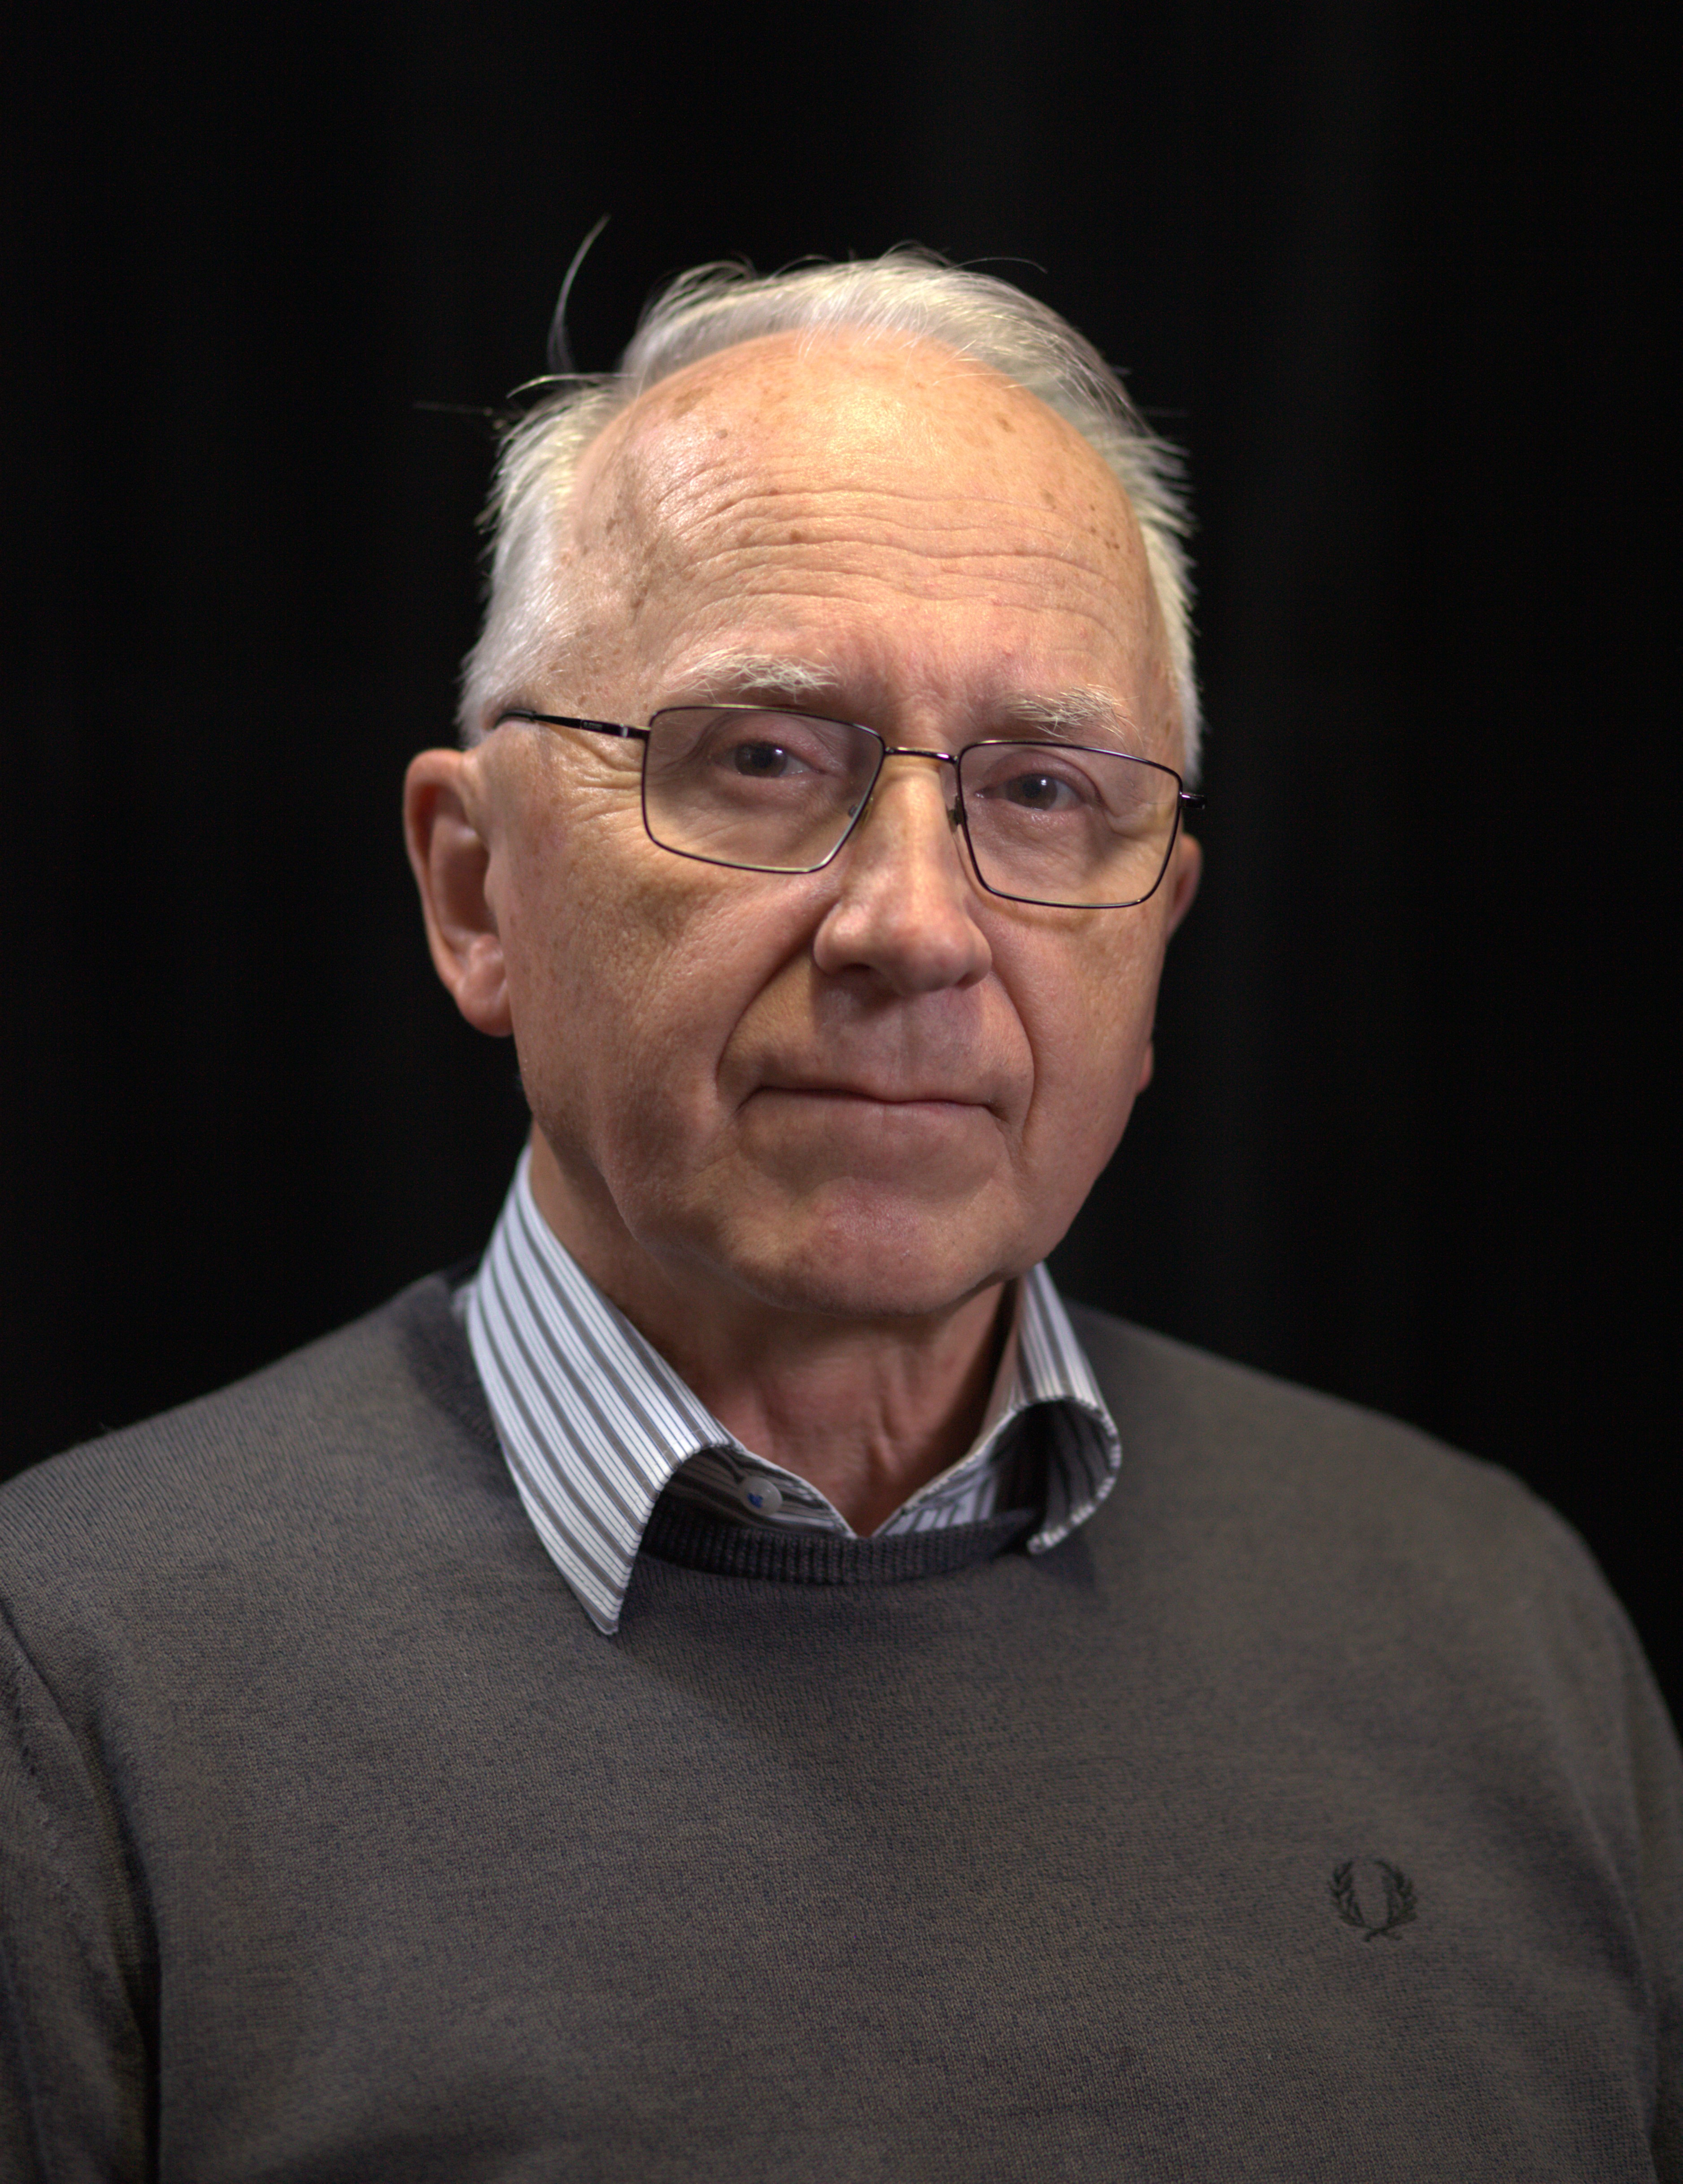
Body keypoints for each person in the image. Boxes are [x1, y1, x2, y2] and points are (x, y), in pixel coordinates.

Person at [2, 254, 1677, 2182]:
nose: (913, 925)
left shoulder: (1496, 1627)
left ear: (1156, 942)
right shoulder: (74, 1685)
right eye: (763, 758)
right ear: (477, 893)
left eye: (1040, 789)